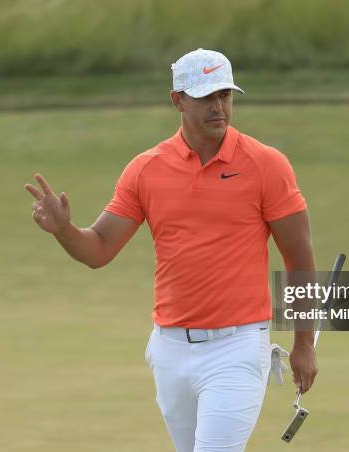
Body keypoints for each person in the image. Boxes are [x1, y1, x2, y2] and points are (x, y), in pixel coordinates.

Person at [25, 48, 317, 452]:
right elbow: (100, 248)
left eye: (225, 96)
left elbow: (299, 259)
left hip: (238, 348)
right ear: (177, 99)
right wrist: (63, 230)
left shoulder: (267, 165)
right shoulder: (147, 169)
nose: (218, 107)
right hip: (170, 350)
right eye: (205, 97)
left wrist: (303, 344)